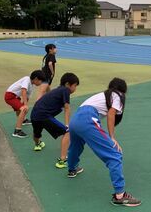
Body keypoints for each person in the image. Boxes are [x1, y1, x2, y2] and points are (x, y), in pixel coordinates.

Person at [67, 78, 141, 207]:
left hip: (76, 119)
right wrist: (112, 137)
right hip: (87, 119)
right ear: (122, 90)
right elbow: (112, 114)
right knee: (114, 154)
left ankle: (72, 169)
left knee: (75, 146)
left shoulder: (102, 95)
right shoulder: (118, 95)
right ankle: (120, 195)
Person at [30, 73, 79, 168]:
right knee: (67, 132)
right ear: (68, 84)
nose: (75, 88)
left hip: (34, 114)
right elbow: (67, 108)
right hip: (44, 115)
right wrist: (67, 125)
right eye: (75, 85)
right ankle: (62, 160)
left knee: (37, 134)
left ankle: (37, 144)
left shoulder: (58, 90)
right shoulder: (65, 90)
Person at [4, 70, 46, 138]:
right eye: (40, 81)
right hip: (10, 96)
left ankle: (23, 120)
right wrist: (25, 106)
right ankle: (17, 131)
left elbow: (27, 97)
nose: (41, 83)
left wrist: (24, 104)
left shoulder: (32, 86)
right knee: (23, 109)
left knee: (21, 109)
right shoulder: (27, 79)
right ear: (35, 79)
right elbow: (23, 90)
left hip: (16, 97)